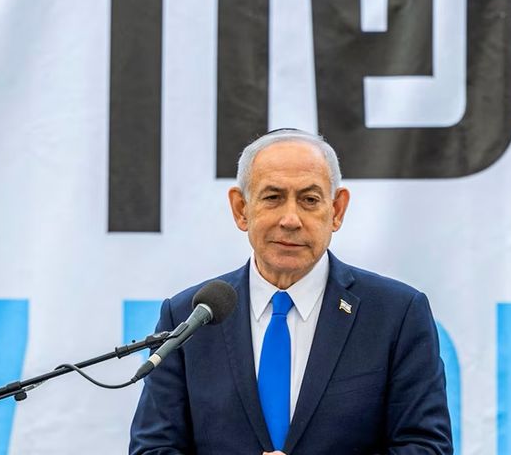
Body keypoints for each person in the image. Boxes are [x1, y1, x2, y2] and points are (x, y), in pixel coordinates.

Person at [129, 128, 453, 454]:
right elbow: (152, 448)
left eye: (309, 200)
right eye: (273, 197)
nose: (290, 219)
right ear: (241, 209)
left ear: (337, 210)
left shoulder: (395, 314)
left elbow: (426, 447)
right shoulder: (190, 316)